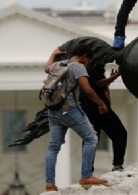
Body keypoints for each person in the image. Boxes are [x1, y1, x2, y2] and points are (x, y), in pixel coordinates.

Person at [44, 44, 109, 192]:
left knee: (53, 146)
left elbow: (46, 68)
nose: (88, 62)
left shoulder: (57, 64)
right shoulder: (78, 67)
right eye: (88, 59)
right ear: (85, 56)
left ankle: (49, 183)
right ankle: (86, 176)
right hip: (70, 110)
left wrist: (53, 54)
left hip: (53, 111)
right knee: (91, 138)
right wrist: (101, 103)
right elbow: (87, 89)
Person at [80, 61, 127, 172]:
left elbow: (97, 85)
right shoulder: (93, 65)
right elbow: (97, 83)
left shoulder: (85, 67)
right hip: (97, 108)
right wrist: (113, 78)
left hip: (90, 108)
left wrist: (109, 81)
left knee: (91, 139)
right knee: (120, 133)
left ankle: (87, 171)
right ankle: (117, 165)